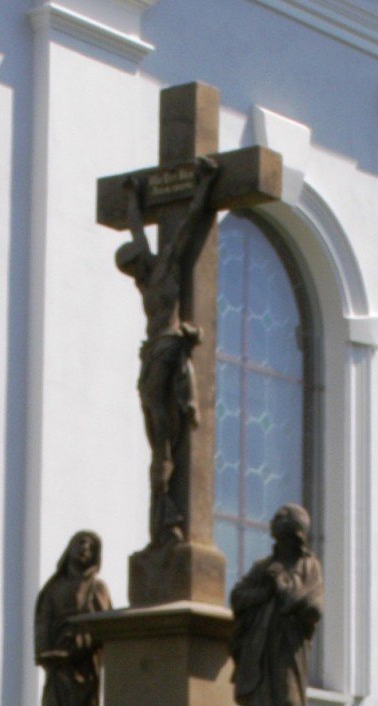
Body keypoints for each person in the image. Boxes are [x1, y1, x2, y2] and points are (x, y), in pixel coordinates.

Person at [115, 157, 219, 543]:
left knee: (162, 429)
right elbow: (138, 232)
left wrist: (205, 186)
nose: (133, 273)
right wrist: (131, 199)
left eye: (131, 265)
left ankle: (166, 503)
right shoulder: (148, 279)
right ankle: (163, 505)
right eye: (129, 269)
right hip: (154, 355)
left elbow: (188, 222)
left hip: (167, 352)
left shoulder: (161, 271)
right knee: (157, 430)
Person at [229, 504, 323, 706]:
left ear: (295, 529)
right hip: (260, 648)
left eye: (281, 517)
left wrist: (284, 587)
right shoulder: (263, 567)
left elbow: (313, 606)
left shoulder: (309, 566)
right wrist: (266, 590)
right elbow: (238, 597)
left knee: (288, 702)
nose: (273, 519)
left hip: (287, 648)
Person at [35, 532, 112, 706]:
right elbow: (42, 623)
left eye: (91, 547)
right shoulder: (52, 588)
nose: (84, 549)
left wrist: (76, 647)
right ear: (69, 548)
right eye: (80, 543)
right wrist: (45, 652)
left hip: (83, 672)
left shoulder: (96, 588)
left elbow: (104, 628)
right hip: (57, 672)